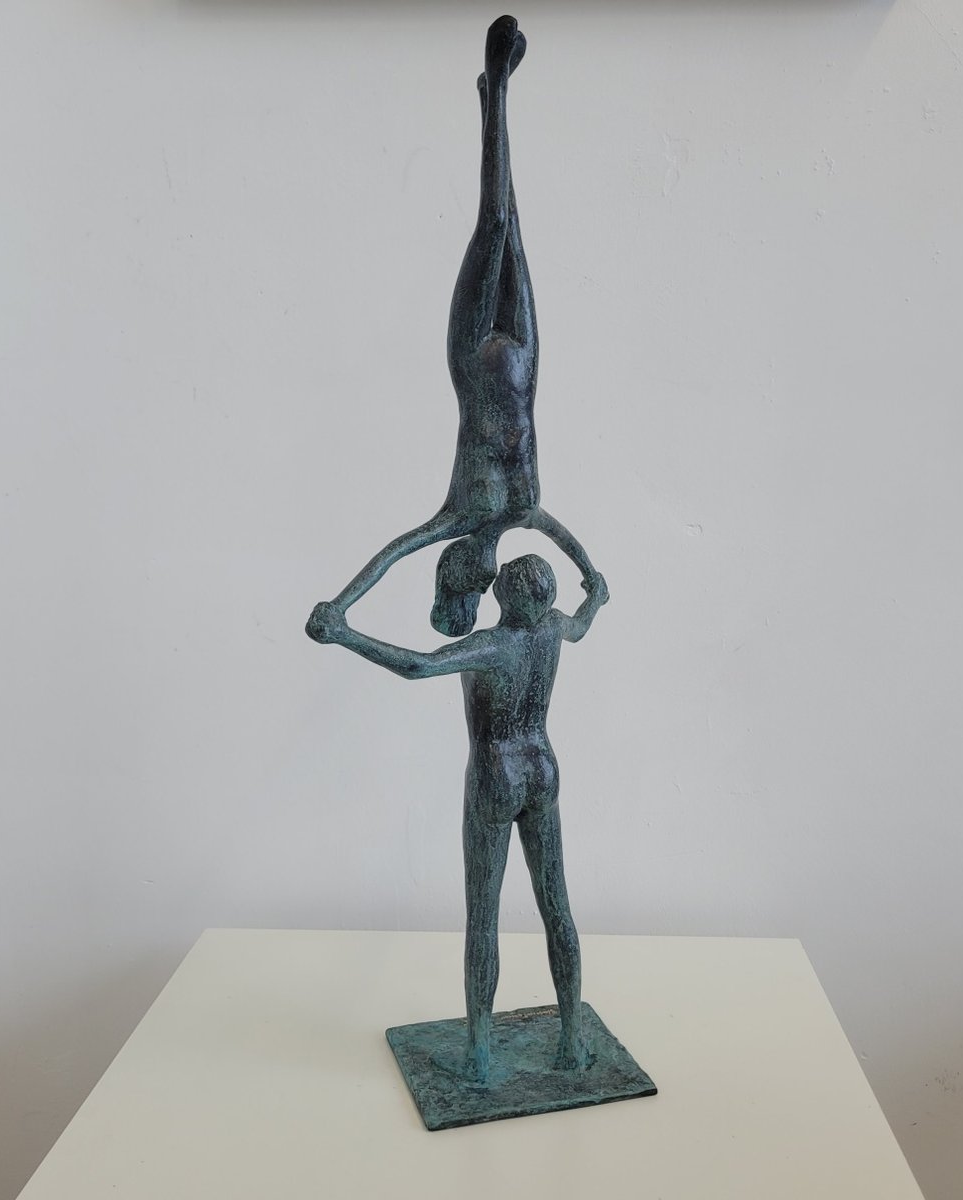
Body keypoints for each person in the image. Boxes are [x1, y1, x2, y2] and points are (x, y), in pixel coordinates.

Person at [313, 15, 598, 639]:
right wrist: (592, 578)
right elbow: (567, 541)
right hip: (522, 361)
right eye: (473, 582)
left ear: (450, 573)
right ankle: (490, 99)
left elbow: (391, 554)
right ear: (484, 584)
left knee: (493, 224)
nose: (470, 571)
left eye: (456, 577)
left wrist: (339, 610)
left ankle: (498, 83)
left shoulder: (455, 515)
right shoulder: (524, 512)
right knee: (511, 225)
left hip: (473, 356)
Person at [306, 555, 609, 1082]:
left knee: (483, 918)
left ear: (505, 596)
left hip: (497, 775)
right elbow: (582, 622)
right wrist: (597, 595)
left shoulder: (491, 646)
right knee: (557, 905)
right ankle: (572, 1042)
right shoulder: (554, 627)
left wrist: (344, 634)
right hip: (542, 769)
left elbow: (418, 665)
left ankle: (479, 1055)